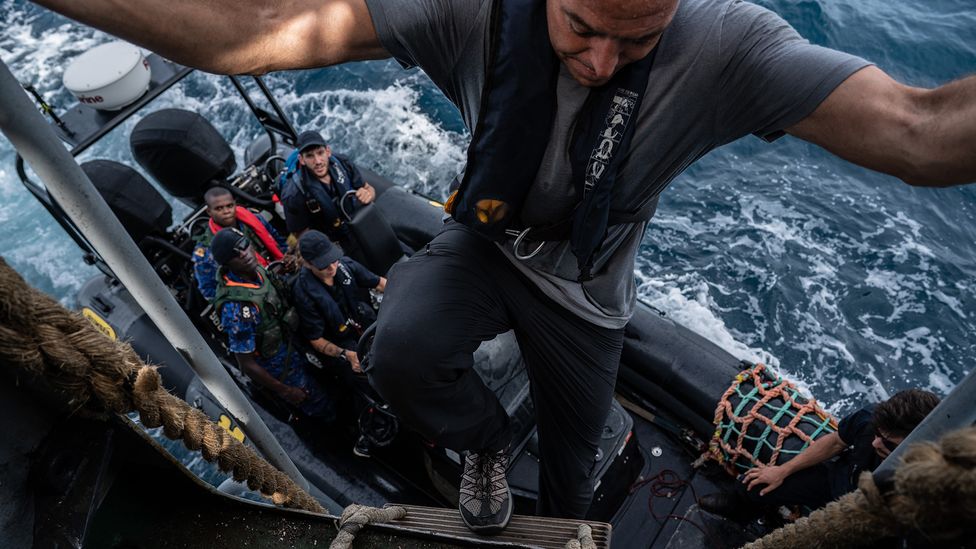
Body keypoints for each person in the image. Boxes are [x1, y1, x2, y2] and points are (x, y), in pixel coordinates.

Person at [35, 0, 975, 533]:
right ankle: (481, 445)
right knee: (398, 347)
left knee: (574, 459)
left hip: (589, 292)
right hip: (482, 247)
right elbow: (243, 35)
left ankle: (562, 530)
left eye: (635, 41)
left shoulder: (727, 46)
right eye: (580, 27)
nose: (603, 60)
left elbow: (919, 130)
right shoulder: (473, 9)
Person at [699, 389, 941, 519]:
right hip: (841, 482)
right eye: (877, 433)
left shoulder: (930, 480)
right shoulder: (870, 417)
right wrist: (782, 471)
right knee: (756, 484)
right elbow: (835, 442)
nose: (876, 442)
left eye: (888, 443)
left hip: (875, 516)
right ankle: (741, 509)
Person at [211, 227, 334, 420]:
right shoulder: (236, 307)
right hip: (283, 367)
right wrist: (285, 390)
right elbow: (246, 363)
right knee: (319, 404)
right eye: (236, 254)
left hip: (297, 343)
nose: (244, 254)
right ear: (227, 264)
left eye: (244, 246)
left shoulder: (257, 272)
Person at [291, 230, 388, 456]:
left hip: (364, 323)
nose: (332, 267)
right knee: (361, 378)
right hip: (341, 343)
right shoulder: (303, 293)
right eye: (324, 265)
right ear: (308, 264)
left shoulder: (344, 265)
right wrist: (346, 355)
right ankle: (371, 424)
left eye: (333, 260)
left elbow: (379, 282)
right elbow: (316, 340)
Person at [279, 131, 377, 251]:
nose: (318, 161)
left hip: (357, 224)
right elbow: (300, 234)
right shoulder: (293, 194)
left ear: (328, 151)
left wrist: (368, 194)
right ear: (302, 160)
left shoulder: (343, 163)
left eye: (320, 153)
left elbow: (369, 189)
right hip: (331, 242)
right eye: (310, 156)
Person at [192, 186, 294, 301]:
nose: (226, 211)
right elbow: (209, 292)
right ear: (209, 211)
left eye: (229, 206)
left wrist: (287, 259)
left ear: (235, 204)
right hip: (254, 296)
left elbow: (278, 241)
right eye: (219, 208)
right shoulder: (206, 249)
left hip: (281, 274)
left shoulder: (253, 218)